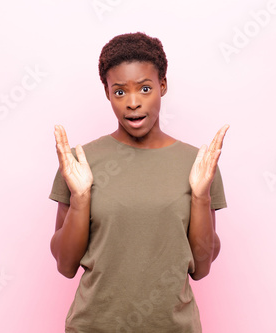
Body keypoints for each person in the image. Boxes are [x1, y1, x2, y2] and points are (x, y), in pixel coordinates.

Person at [49, 32, 229, 332]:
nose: (133, 103)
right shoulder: (79, 162)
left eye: (145, 88)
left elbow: (202, 267)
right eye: (120, 92)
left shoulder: (198, 164)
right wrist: (80, 199)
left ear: (163, 86)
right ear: (107, 93)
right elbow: (65, 265)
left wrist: (200, 197)